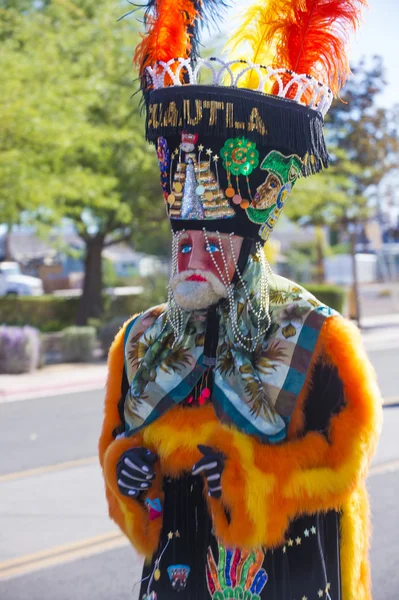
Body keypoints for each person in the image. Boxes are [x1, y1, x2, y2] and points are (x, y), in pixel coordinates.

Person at [99, 1, 382, 598]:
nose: (189, 253)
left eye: (209, 239)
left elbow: (344, 461)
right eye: (182, 237)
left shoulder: (315, 333)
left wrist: (250, 476)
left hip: (282, 576)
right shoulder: (141, 341)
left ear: (249, 243)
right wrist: (128, 471)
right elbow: (125, 452)